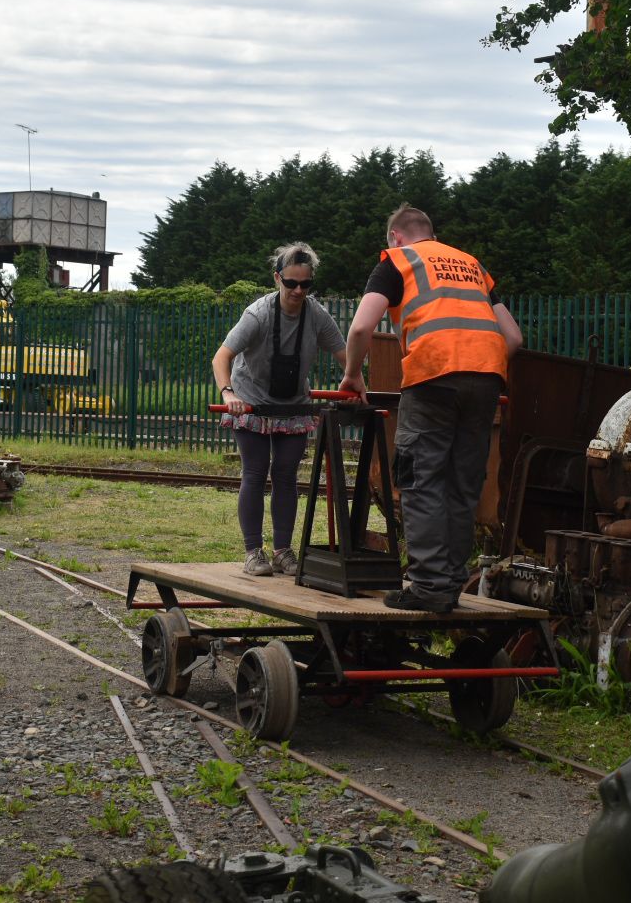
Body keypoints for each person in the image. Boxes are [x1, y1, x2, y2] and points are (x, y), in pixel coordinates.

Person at [339, 203, 522, 613]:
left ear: (395, 237)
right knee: (462, 483)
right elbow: (512, 336)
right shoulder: (471, 264)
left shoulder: (397, 260)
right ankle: (451, 584)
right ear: (433, 235)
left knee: (421, 479)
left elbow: (362, 327)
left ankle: (427, 587)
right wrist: (481, 368)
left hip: (433, 375)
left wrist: (353, 373)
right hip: (487, 378)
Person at [213, 242, 348, 577]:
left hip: (293, 404)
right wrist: (228, 393)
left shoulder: (316, 314)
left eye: (305, 284)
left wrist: (354, 379)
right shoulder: (258, 313)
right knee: (256, 472)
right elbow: (222, 357)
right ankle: (252, 552)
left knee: (287, 474)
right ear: (277, 279)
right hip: (251, 400)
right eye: (291, 283)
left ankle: (283, 551)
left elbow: (345, 354)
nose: (298, 291)